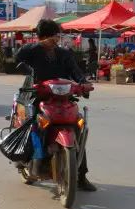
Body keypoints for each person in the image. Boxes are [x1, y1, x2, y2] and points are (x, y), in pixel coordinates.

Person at [15, 19, 96, 192]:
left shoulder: (64, 53)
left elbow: (75, 71)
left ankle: (81, 176)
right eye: (51, 36)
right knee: (35, 126)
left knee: (77, 129)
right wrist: (38, 45)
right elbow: (17, 57)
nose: (55, 39)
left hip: (63, 98)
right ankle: (33, 161)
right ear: (42, 37)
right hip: (38, 97)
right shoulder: (34, 51)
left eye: (56, 36)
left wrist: (84, 82)